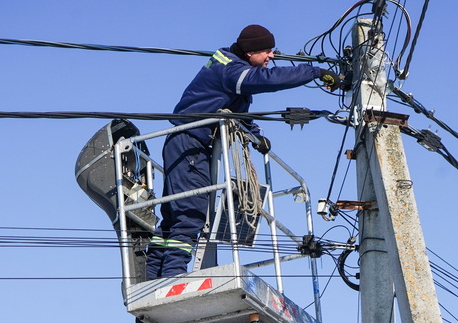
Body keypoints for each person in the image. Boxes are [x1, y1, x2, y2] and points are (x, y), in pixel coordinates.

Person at [145, 24, 339, 280]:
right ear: (250, 52)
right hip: (190, 144)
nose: (272, 56)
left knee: (174, 216)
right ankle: (172, 275)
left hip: (187, 144)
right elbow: (267, 80)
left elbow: (231, 109)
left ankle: (153, 276)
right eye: (267, 51)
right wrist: (315, 72)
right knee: (190, 214)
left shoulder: (230, 65)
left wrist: (254, 134)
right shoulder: (232, 71)